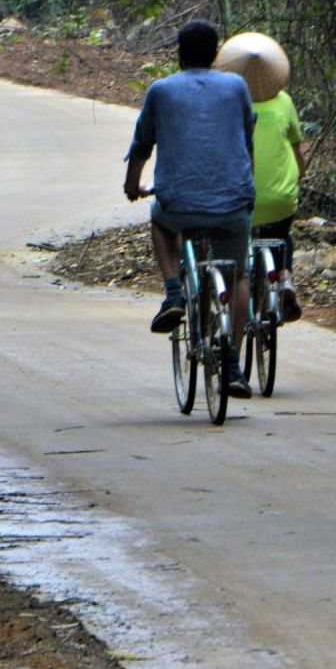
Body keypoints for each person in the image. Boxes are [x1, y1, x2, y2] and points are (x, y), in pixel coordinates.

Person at [124, 20, 256, 397]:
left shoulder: (161, 90)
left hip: (179, 205)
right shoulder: (237, 87)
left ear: (178, 52)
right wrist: (246, 189)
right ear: (216, 55)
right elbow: (247, 141)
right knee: (238, 277)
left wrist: (133, 187)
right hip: (234, 203)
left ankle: (173, 292)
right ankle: (232, 363)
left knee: (160, 222)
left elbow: (141, 146)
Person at [213, 31, 304, 322]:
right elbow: (299, 159)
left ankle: (227, 299)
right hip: (280, 199)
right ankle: (285, 277)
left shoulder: (226, 106)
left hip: (238, 199)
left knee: (234, 246)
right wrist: (294, 181)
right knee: (280, 236)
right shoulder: (285, 103)